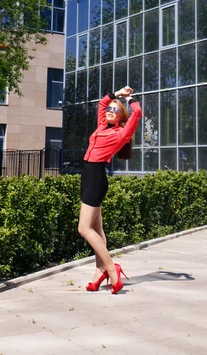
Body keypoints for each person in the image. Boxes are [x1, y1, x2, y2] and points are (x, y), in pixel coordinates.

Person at [78, 86, 142, 295]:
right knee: (97, 230)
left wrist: (131, 99)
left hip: (96, 179)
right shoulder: (102, 126)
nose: (110, 111)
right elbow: (102, 103)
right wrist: (117, 94)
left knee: (84, 229)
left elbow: (137, 113)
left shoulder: (120, 133)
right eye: (110, 110)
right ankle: (99, 272)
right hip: (88, 177)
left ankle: (112, 270)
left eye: (116, 110)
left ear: (121, 117)